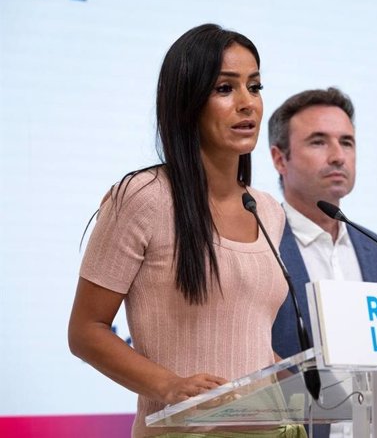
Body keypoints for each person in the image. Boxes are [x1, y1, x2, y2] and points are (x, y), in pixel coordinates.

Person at [68, 24, 305, 438]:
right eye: (225, 89)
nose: (248, 104)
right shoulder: (143, 198)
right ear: (187, 102)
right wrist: (170, 385)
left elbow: (242, 332)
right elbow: (85, 331)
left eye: (255, 86)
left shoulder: (268, 210)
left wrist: (292, 379)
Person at [268, 88, 377, 438]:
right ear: (280, 159)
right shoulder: (260, 244)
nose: (338, 156)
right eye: (319, 142)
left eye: (347, 142)